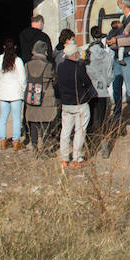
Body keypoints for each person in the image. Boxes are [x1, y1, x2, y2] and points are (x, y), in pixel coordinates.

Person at [57, 38, 94, 168]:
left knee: (65, 131)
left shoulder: (60, 67)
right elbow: (88, 83)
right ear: (74, 55)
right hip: (79, 103)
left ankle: (64, 158)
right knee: (80, 131)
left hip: (66, 103)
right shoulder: (79, 68)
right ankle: (77, 158)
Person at [107, 0, 130, 125]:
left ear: (124, 5)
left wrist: (116, 40)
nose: (118, 6)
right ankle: (117, 113)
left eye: (118, 4)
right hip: (118, 56)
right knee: (116, 87)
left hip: (127, 57)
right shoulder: (124, 18)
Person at [85, 27, 115, 155]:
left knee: (89, 120)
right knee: (102, 121)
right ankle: (104, 148)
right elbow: (109, 76)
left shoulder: (86, 53)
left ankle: (89, 147)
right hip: (102, 91)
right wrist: (104, 84)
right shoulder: (107, 55)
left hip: (90, 91)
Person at [24, 39, 57, 154]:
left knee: (33, 122)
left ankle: (34, 146)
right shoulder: (48, 66)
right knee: (45, 122)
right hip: (45, 97)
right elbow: (54, 79)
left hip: (32, 96)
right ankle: (45, 146)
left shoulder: (27, 65)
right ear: (45, 52)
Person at [0, 37, 27, 150]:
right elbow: (22, 78)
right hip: (16, 92)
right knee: (16, 118)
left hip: (3, 92)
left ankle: (3, 140)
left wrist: (1, 86)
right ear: (15, 47)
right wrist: (22, 89)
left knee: (3, 117)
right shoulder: (18, 61)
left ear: (3, 47)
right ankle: (16, 141)